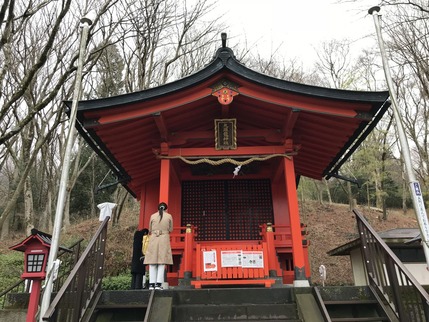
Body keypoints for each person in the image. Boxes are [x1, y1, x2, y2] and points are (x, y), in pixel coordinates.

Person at [144, 202, 173, 290]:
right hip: (164, 239)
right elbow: (171, 229)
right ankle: (158, 284)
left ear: (158, 208)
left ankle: (151, 284)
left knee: (152, 262)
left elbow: (150, 229)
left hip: (154, 239)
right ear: (166, 209)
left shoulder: (152, 216)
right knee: (161, 262)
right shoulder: (169, 216)